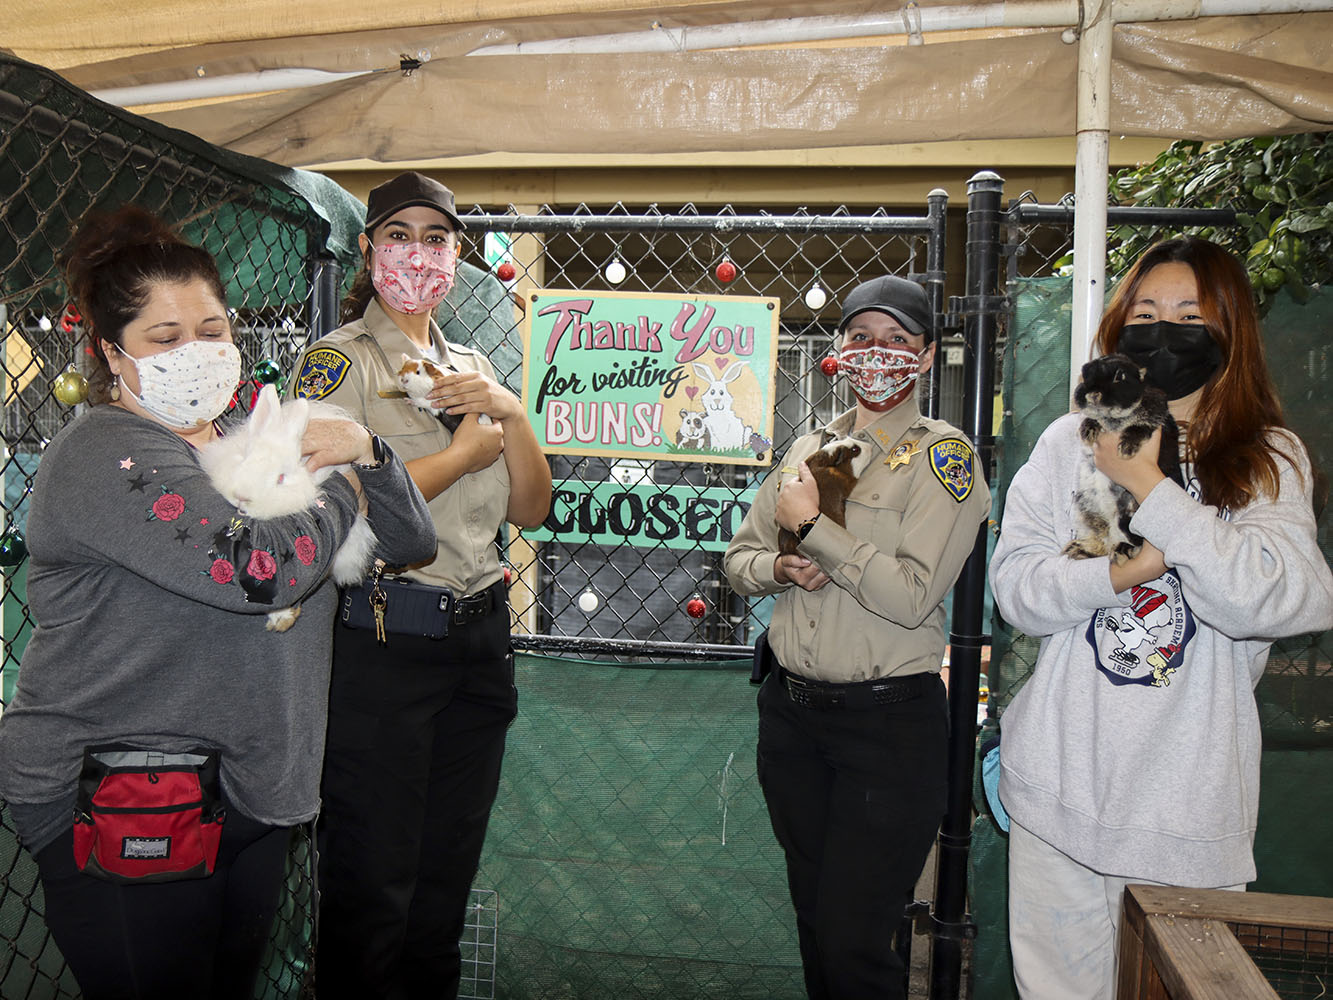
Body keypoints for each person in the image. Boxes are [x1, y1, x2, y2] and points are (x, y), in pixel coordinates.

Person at [0, 206, 435, 1000]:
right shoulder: (106, 451)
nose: (195, 352)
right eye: (164, 339)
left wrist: (369, 452)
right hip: (125, 789)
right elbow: (261, 570)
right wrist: (339, 487)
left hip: (250, 790)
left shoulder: (242, 432)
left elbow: (410, 541)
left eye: (211, 329)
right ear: (111, 353)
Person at [990, 236, 1333, 999]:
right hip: (1059, 791)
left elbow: (1284, 598)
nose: (1162, 332)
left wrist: (1150, 486)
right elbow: (1016, 589)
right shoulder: (1067, 442)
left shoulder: (1267, 457)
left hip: (1187, 811)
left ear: (1229, 331)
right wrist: (1126, 571)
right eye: (1143, 314)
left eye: (1187, 314)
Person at [289, 171, 552, 1000]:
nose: (417, 253)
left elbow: (531, 508)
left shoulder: (472, 367)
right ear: (368, 249)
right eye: (398, 234)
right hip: (384, 642)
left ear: (456, 254)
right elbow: (332, 508)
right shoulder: (338, 363)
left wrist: (512, 412)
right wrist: (465, 454)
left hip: (479, 645)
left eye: (435, 238)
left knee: (441, 894)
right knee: (372, 894)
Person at [723, 275, 990, 999]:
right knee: (817, 922)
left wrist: (814, 530)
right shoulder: (811, 447)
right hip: (792, 718)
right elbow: (739, 560)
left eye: (898, 340)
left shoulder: (943, 458)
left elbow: (912, 596)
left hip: (886, 727)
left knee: (854, 941)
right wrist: (779, 565)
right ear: (838, 349)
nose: (878, 353)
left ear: (926, 356)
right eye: (862, 337)